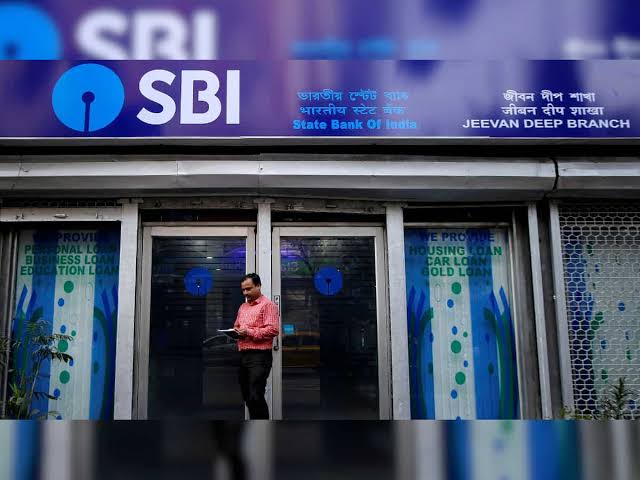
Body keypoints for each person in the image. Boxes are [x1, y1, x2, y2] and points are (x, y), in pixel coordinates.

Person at [233, 273, 279, 419]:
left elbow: (273, 330)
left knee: (255, 396)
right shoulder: (243, 307)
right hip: (243, 355)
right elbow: (237, 326)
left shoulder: (268, 305)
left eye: (248, 289)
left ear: (258, 286)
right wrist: (235, 332)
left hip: (259, 356)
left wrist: (248, 332)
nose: (245, 293)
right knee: (247, 395)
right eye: (243, 290)